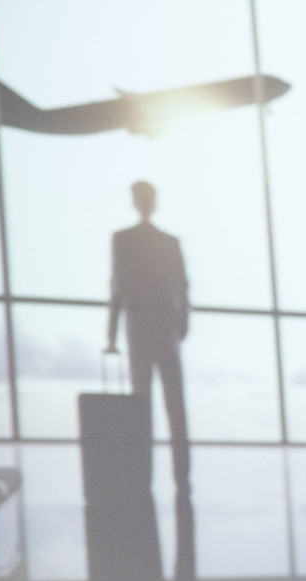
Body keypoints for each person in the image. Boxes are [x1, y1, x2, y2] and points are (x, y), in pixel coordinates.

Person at [105, 180, 190, 489]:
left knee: (141, 404)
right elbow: (182, 286)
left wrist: (112, 334)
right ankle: (182, 475)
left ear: (135, 202)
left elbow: (118, 287)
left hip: (140, 328)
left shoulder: (123, 239)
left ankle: (143, 475)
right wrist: (181, 326)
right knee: (175, 406)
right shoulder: (169, 242)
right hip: (165, 329)